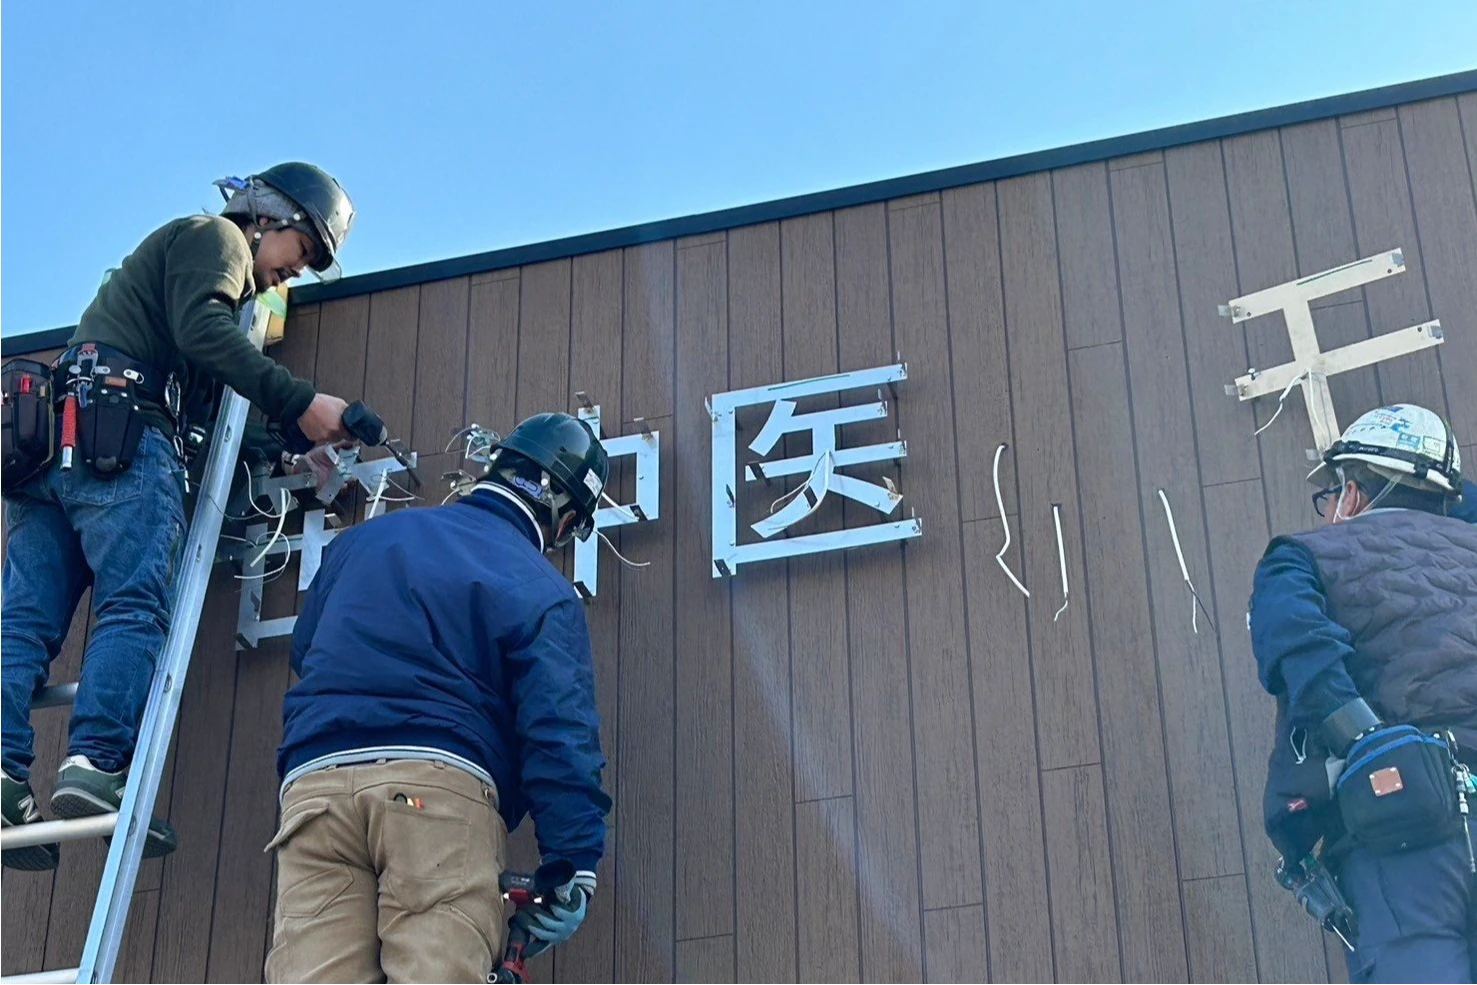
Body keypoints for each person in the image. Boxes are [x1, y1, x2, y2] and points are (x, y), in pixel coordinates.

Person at [1, 163, 358, 872]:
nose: (296, 271)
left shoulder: (167, 286)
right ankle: (96, 762)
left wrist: (290, 443)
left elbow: (207, 407)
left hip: (51, 450)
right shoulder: (214, 239)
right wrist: (302, 401)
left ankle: (5, 778)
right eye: (304, 251)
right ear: (268, 216)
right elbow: (205, 333)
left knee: (25, 622)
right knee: (133, 606)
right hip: (121, 435)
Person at [263, 412, 613, 984]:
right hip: (433, 793)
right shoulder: (539, 586)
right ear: (566, 518)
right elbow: (560, 732)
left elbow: (307, 650)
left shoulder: (363, 542)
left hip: (315, 789)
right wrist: (573, 863)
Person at [1250, 402, 1477, 982]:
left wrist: (1362, 737)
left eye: (1332, 495)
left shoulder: (1299, 558)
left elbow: (1294, 641)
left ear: (1352, 494)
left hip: (1400, 830)